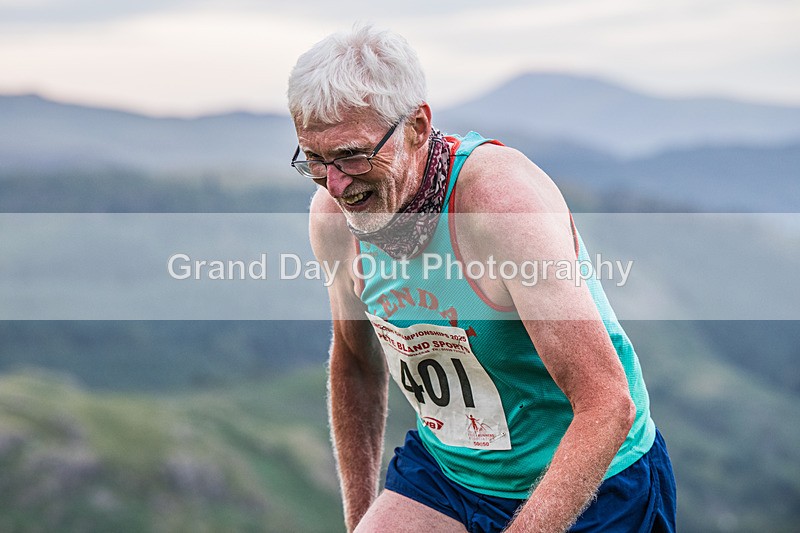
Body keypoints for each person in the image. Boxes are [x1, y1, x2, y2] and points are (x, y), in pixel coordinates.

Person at [287, 25, 676, 533]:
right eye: (314, 160)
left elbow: (607, 404)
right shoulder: (333, 219)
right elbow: (357, 363)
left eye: (352, 155)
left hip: (595, 481)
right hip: (448, 474)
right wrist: (360, 521)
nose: (335, 185)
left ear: (417, 127)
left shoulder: (501, 207)